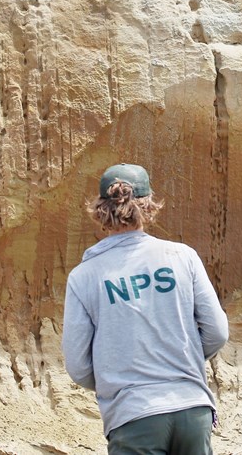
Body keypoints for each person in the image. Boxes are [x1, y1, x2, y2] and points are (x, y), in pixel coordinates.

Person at [62, 163, 229, 455]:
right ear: (149, 205)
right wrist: (181, 360)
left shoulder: (84, 276)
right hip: (192, 409)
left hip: (134, 415)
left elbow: (78, 367)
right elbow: (217, 332)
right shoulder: (182, 257)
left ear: (101, 210)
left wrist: (115, 378)